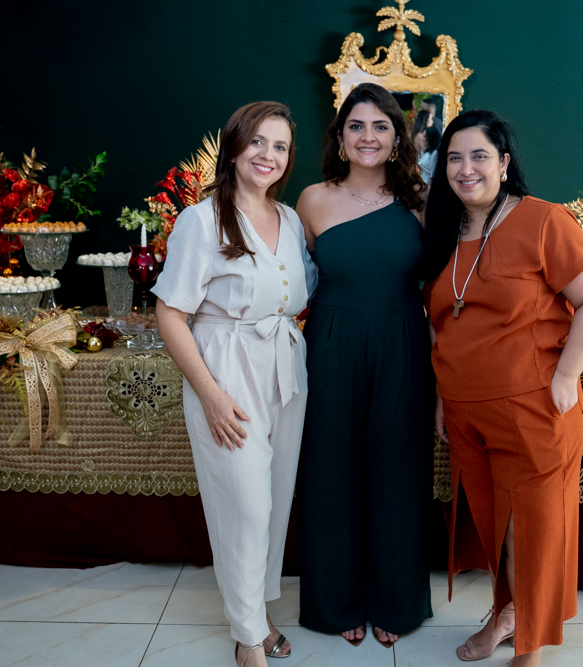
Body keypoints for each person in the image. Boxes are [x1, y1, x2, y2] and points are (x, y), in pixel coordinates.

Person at [422, 110, 583, 666]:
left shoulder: (543, 220)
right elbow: (444, 324)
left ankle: (528, 637)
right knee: (497, 526)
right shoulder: (446, 233)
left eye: (479, 156)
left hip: (533, 405)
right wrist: (440, 396)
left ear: (504, 163)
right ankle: (509, 615)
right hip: (464, 411)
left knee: (531, 527)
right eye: (454, 158)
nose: (465, 168)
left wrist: (566, 375)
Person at [153, 101, 316, 667]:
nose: (268, 155)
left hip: (286, 370)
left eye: (280, 146)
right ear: (234, 145)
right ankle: (248, 635)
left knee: (273, 503)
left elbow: (301, 294)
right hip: (227, 370)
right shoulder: (201, 220)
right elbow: (170, 313)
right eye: (258, 142)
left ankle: (258, 611)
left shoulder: (292, 219)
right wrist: (212, 395)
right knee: (242, 506)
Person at [296, 82, 434, 649]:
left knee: (398, 471)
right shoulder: (311, 199)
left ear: (398, 137)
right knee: (332, 472)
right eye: (357, 126)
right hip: (330, 344)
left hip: (403, 341)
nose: (368, 136)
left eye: (381, 126)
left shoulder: (423, 201)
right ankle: (335, 603)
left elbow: (440, 289)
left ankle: (396, 602)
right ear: (340, 136)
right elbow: (292, 283)